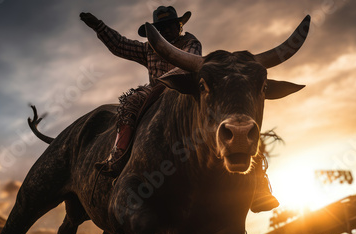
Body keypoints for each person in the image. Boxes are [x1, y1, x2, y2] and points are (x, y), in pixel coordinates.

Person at [80, 6, 278, 212]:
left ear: (179, 26)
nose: (167, 30)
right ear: (156, 31)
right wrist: (100, 27)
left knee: (233, 114)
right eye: (161, 28)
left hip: (185, 92)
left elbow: (185, 67)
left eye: (171, 26)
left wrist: (172, 80)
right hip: (156, 92)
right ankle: (118, 157)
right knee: (129, 105)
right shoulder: (149, 48)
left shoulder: (191, 44)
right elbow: (120, 45)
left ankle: (259, 182)